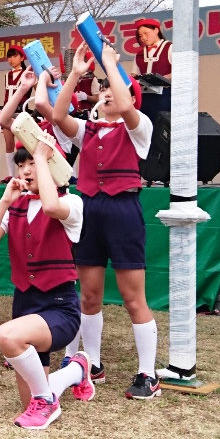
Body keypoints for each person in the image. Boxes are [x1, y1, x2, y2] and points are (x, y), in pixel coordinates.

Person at [52, 42, 160, 400]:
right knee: (89, 295)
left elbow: (127, 107)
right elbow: (58, 116)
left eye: (114, 89)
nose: (107, 93)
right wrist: (75, 74)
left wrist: (111, 63)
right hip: (89, 211)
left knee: (132, 296)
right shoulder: (89, 130)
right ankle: (92, 364)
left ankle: (148, 374)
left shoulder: (139, 126)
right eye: (103, 89)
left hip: (122, 211)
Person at [0, 138, 94, 430]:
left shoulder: (72, 202)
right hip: (25, 304)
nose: (26, 170)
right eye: (21, 164)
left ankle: (47, 400)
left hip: (59, 307)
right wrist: (4, 201)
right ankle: (76, 370)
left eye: (33, 162)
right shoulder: (16, 206)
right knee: (28, 400)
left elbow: (52, 207)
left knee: (6, 337)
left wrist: (43, 158)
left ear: (51, 165)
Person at [3, 45, 30, 178]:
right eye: (9, 57)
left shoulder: (27, 73)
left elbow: (37, 90)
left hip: (21, 112)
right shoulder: (7, 75)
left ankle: (23, 173)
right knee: (9, 144)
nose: (11, 59)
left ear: (22, 57)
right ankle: (11, 175)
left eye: (15, 56)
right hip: (8, 113)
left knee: (22, 144)